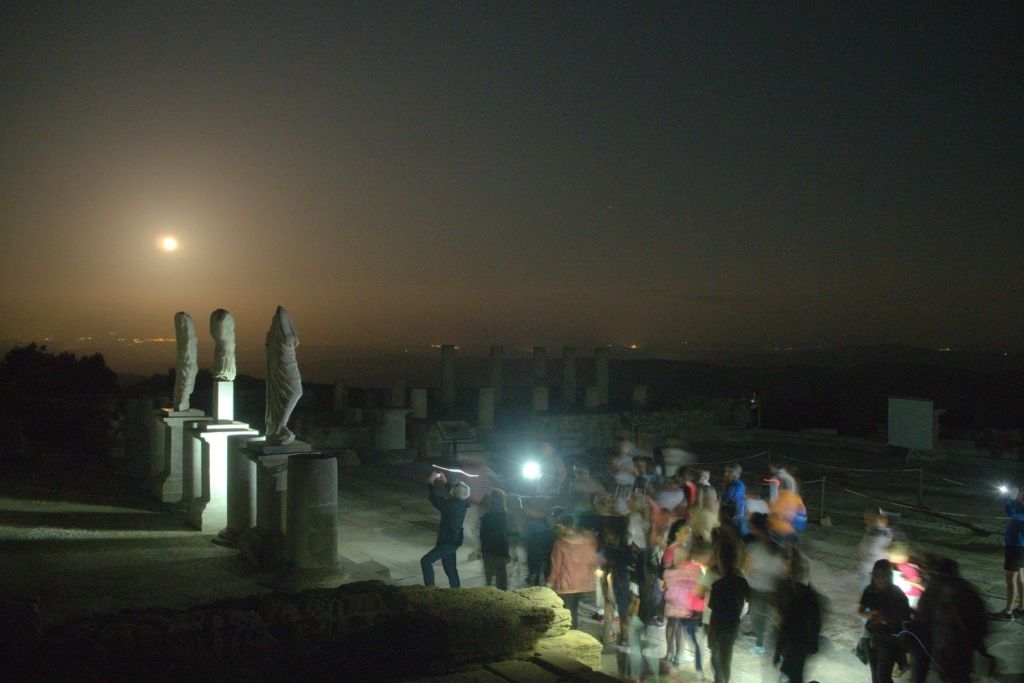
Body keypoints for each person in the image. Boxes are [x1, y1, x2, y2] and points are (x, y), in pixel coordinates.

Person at [912, 555, 994, 683]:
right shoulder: (968, 591)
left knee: (955, 676)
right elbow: (982, 624)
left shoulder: (936, 592)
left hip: (952, 650)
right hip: (956, 650)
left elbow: (922, 620)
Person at [773, 550, 823, 683]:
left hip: (797, 641)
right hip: (795, 640)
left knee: (792, 673)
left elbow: (812, 620)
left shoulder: (801, 595)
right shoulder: (802, 593)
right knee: (793, 673)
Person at [859, 559, 911, 683]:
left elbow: (906, 618)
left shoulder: (897, 594)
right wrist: (869, 614)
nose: (880, 579)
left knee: (883, 676)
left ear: (889, 576)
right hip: (870, 635)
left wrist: (886, 620)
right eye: (877, 576)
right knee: (875, 675)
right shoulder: (870, 590)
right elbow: (860, 610)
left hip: (888, 638)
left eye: (883, 576)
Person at [547, 513, 598, 629]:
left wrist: (549, 583)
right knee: (574, 609)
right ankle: (574, 632)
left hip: (566, 584)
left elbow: (556, 566)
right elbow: (592, 560)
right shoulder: (586, 542)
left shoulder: (560, 544)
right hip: (581, 583)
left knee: (567, 612)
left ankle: (570, 635)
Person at [708, 539, 748, 683]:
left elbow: (714, 610)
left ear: (721, 561)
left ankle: (719, 679)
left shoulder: (718, 585)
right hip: (733, 624)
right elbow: (748, 602)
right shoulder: (742, 582)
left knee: (716, 655)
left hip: (719, 625)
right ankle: (726, 679)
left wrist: (711, 633)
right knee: (727, 656)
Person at [421, 471, 471, 588]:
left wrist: (430, 484)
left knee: (426, 561)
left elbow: (435, 499)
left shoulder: (451, 506)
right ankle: (457, 592)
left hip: (448, 542)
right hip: (452, 541)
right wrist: (445, 483)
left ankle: (430, 588)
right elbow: (455, 493)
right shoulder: (462, 502)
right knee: (450, 570)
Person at [743, 513, 784, 656]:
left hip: (758, 587)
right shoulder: (777, 545)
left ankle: (759, 645)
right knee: (775, 617)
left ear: (754, 527)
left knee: (758, 617)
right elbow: (783, 568)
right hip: (775, 587)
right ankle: (780, 648)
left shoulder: (754, 547)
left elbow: (746, 568)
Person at [991, 483, 1024, 619]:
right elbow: (1011, 512)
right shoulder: (1019, 506)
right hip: (1019, 546)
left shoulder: (1020, 509)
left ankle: (1008, 611)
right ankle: (1022, 607)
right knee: (1021, 579)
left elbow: (1016, 514)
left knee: (1011, 580)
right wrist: (1009, 499)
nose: (1020, 495)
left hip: (1016, 547)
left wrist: (1010, 499)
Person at [480, 488, 511, 590]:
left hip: (488, 551)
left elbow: (482, 535)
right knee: (502, 582)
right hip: (501, 551)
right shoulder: (506, 516)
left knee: (489, 582)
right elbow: (509, 534)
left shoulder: (486, 516)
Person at [859, 508, 893, 591]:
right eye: (865, 518)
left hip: (875, 572)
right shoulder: (873, 531)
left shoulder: (879, 535)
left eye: (868, 518)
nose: (865, 520)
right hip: (869, 570)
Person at [721, 464, 748, 537]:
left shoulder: (737, 485)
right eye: (726, 471)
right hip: (732, 518)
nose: (726, 474)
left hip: (735, 520)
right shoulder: (732, 484)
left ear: (737, 473)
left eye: (729, 472)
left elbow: (727, 500)